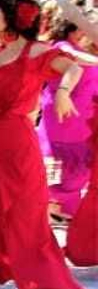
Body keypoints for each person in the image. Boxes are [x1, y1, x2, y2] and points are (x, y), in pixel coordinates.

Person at [0, 0, 92, 289]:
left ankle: (36, 283)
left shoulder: (35, 51)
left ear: (14, 19)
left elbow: (73, 69)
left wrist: (63, 93)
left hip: (19, 144)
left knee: (25, 215)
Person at [40, 18, 97, 219]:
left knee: (78, 174)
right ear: (74, 30)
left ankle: (63, 210)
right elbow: (73, 58)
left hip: (82, 125)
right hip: (64, 122)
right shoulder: (62, 47)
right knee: (59, 172)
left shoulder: (89, 51)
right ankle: (55, 209)